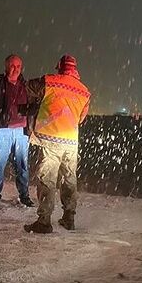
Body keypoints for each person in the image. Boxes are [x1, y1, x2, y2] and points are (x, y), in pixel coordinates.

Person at [23, 54, 91, 233]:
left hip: (50, 139)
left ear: (60, 67)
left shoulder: (50, 81)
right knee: (69, 179)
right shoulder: (84, 91)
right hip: (71, 141)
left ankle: (44, 221)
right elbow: (81, 118)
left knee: (47, 180)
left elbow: (27, 89)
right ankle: (69, 217)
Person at [0, 54, 35, 210]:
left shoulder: (26, 85)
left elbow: (34, 108)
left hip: (21, 132)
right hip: (2, 130)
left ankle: (24, 196)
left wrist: (33, 128)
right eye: (12, 65)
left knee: (22, 166)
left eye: (18, 66)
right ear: (6, 66)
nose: (16, 69)